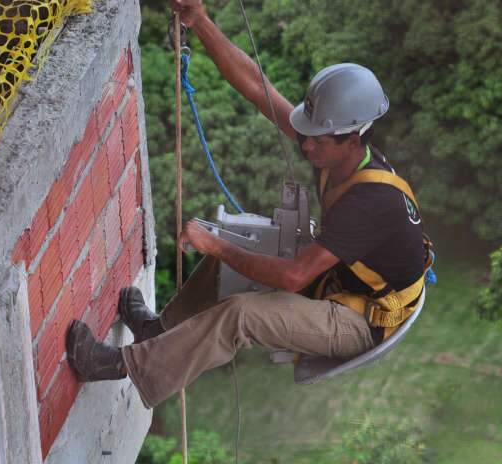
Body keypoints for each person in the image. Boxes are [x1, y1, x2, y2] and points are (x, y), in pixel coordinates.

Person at [66, 0, 428, 409]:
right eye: (306, 135)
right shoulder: (337, 155)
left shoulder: (368, 202)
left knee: (241, 313)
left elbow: (293, 277)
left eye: (317, 140)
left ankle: (118, 366)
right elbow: (259, 88)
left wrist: (215, 244)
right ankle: (158, 331)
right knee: (237, 253)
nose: (305, 145)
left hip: (361, 321)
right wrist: (200, 21)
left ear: (352, 138)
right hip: (343, 283)